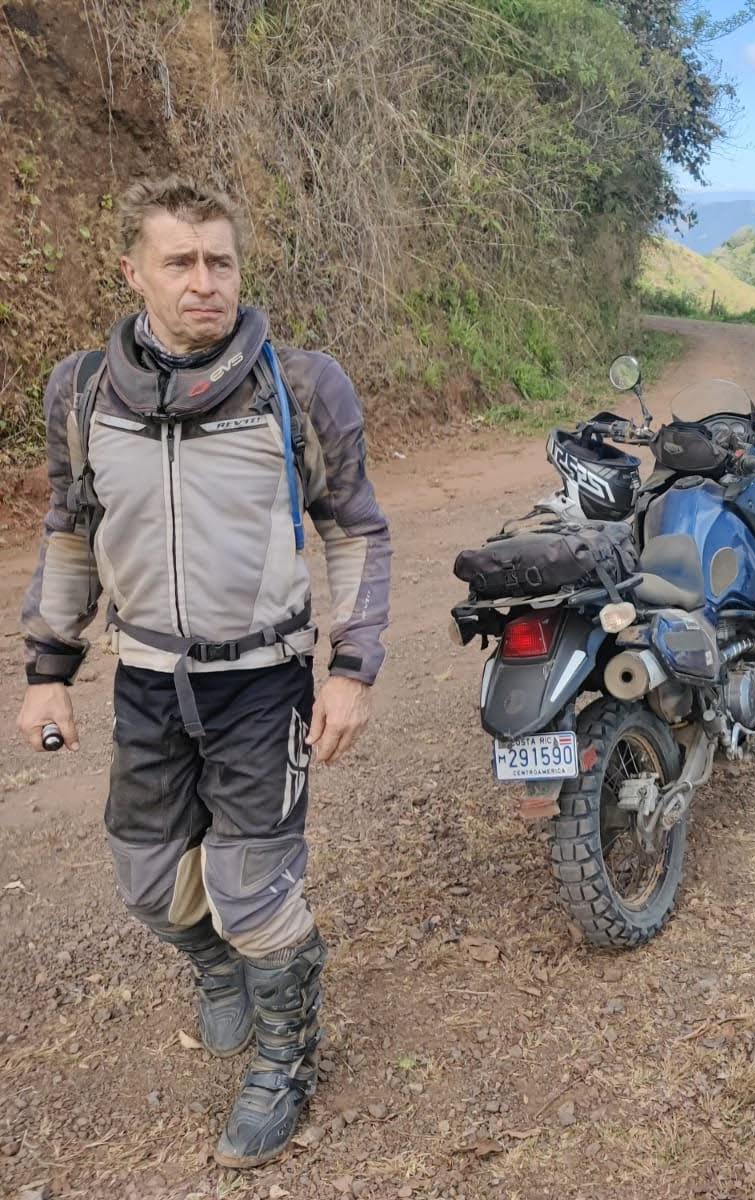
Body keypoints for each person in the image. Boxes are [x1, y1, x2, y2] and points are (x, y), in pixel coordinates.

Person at [14, 176, 392, 1169]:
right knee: (148, 882)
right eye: (179, 262)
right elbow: (71, 529)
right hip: (146, 678)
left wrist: (352, 666)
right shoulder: (83, 390)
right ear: (132, 272)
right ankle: (218, 967)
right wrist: (47, 668)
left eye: (219, 261)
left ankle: (285, 1061)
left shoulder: (298, 385)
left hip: (262, 683)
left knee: (254, 890)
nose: (204, 282)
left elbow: (356, 529)